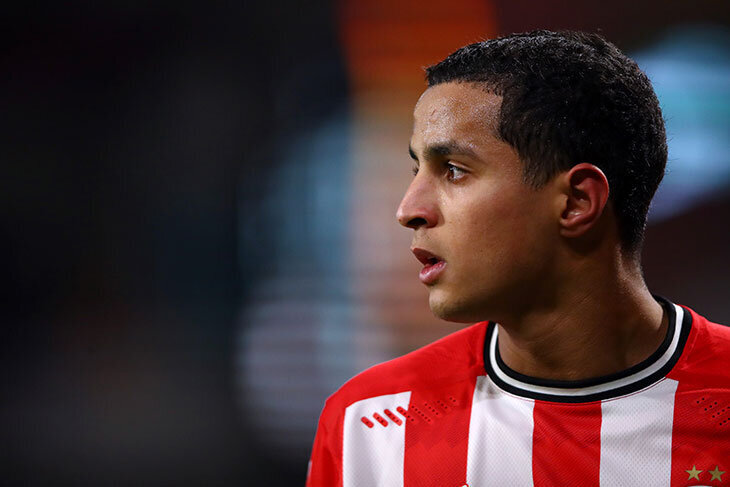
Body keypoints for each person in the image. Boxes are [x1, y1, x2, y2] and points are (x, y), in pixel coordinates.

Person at [306, 30, 730, 486]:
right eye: (417, 170)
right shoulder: (368, 422)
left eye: (454, 170)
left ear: (576, 202)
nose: (408, 209)